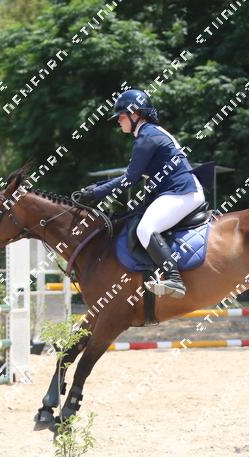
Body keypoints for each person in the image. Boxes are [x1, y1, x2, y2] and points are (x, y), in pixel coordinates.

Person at [74, 88, 204, 299]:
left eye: (121, 116)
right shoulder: (149, 133)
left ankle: (174, 279)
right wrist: (95, 188)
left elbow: (129, 179)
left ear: (135, 114)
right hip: (176, 191)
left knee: (146, 229)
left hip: (180, 192)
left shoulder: (147, 137)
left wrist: (96, 193)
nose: (118, 121)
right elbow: (129, 176)